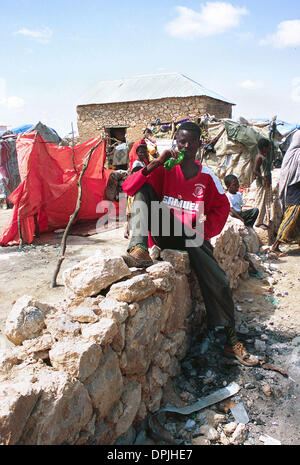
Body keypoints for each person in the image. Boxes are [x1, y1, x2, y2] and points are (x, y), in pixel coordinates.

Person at [121, 121, 258, 367]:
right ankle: (139, 249)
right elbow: (128, 188)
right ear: (175, 141)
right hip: (165, 232)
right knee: (143, 188)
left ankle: (231, 339)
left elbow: (222, 207)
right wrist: (156, 163)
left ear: (198, 145)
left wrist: (203, 231)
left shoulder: (207, 176)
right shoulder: (165, 168)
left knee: (219, 280)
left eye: (190, 142)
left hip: (192, 237)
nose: (184, 146)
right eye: (180, 141)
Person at [271, 130, 300, 253]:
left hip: (293, 189)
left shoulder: (291, 152)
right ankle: (276, 244)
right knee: (291, 216)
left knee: (297, 218)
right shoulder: (297, 153)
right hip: (295, 190)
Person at [124, 141, 149, 239]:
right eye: (140, 152)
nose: (142, 154)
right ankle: (127, 231)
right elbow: (138, 177)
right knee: (130, 213)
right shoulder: (136, 163)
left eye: (144, 152)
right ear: (137, 153)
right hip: (135, 190)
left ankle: (129, 231)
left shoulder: (143, 162)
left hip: (138, 189)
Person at [253, 138, 273, 229]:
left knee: (268, 202)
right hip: (262, 183)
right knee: (260, 202)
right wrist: (263, 178)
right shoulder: (259, 157)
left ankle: (266, 220)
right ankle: (257, 222)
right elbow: (255, 170)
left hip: (267, 183)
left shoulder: (265, 157)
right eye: (268, 148)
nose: (269, 150)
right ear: (264, 148)